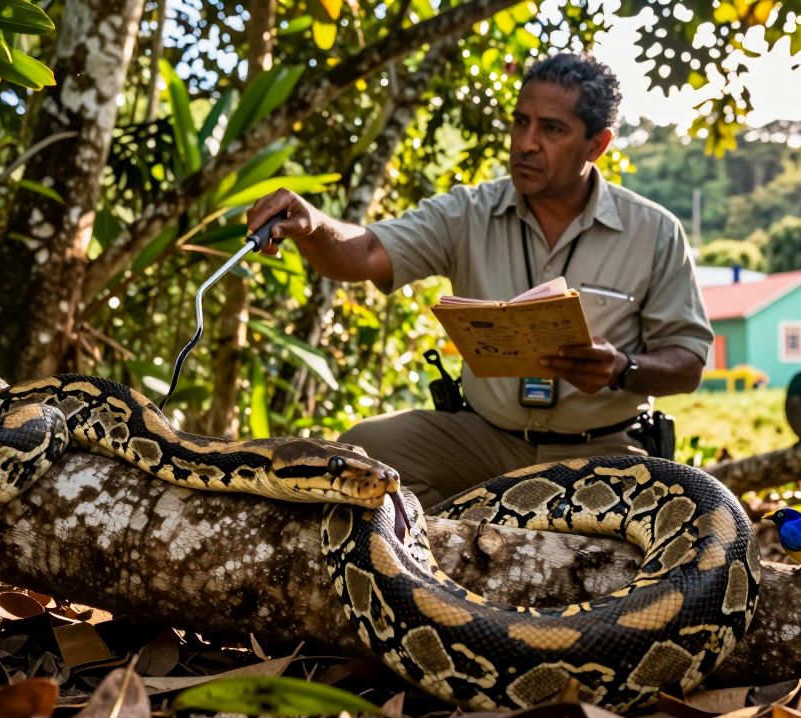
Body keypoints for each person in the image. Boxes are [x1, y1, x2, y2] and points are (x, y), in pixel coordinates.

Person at [243, 53, 713, 509]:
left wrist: (621, 368)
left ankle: (484, 534)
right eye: (520, 121)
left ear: (596, 145)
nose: (525, 143)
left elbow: (688, 363)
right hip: (485, 442)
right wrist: (313, 224)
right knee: (362, 452)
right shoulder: (468, 212)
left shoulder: (654, 231)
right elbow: (362, 252)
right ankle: (459, 552)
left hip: (603, 453)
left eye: (551, 129)